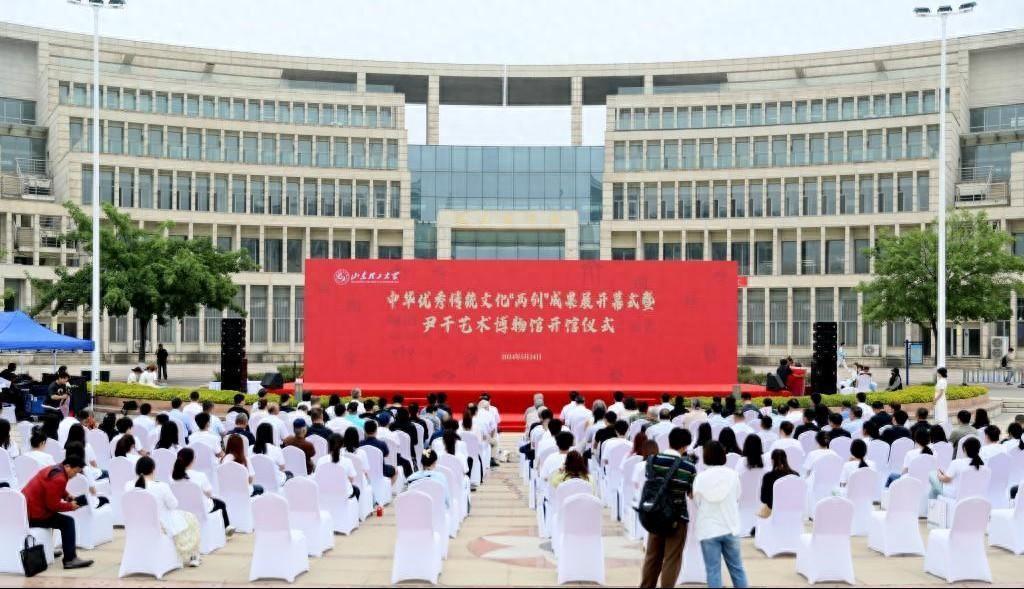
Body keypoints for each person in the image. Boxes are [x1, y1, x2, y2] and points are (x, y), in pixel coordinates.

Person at [639, 427, 696, 589]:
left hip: (654, 514)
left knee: (652, 557)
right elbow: (691, 494)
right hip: (677, 518)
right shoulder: (688, 467)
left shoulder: (652, 461)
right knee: (672, 559)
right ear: (684, 446)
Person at [21, 454, 94, 569]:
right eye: (75, 472)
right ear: (68, 466)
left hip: (26, 512)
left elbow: (52, 488)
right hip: (34, 516)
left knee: (57, 518)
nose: (75, 475)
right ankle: (70, 559)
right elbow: (52, 506)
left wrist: (66, 496)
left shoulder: (54, 469)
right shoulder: (60, 479)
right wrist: (71, 506)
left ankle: (49, 549)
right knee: (68, 522)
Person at [693, 440, 748, 588]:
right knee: (737, 569)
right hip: (730, 526)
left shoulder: (700, 478)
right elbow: (737, 496)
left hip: (708, 528)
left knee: (713, 571)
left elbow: (697, 502)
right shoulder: (733, 475)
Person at [131, 456, 201, 567]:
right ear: (153, 469)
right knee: (191, 518)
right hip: (160, 525)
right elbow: (173, 504)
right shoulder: (161, 486)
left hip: (138, 525)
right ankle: (193, 555)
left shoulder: (129, 486)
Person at [171, 447, 231, 532]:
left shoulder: (173, 477)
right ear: (192, 460)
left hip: (182, 509)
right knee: (221, 504)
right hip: (200, 510)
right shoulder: (200, 476)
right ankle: (227, 529)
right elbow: (209, 494)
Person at [316, 433, 360, 498]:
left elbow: (317, 478)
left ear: (328, 445)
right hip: (343, 495)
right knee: (356, 490)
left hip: (324, 494)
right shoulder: (347, 461)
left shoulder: (321, 460)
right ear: (342, 445)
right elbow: (351, 479)